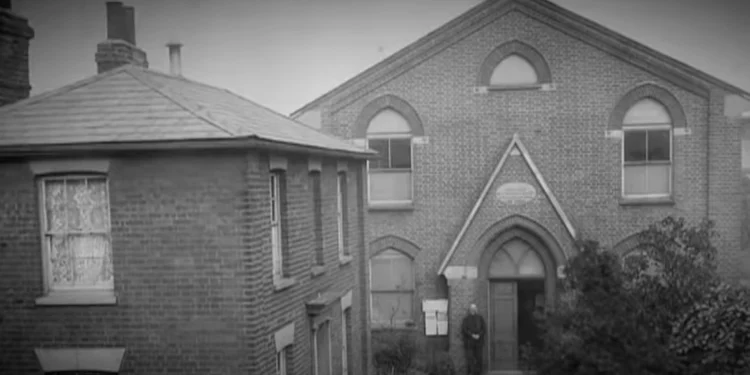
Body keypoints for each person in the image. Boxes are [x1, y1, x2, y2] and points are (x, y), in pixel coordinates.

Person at [461, 303, 486, 375]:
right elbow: (464, 329)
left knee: (479, 358)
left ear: (476, 309)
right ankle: (471, 372)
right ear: (469, 310)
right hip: (469, 343)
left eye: (474, 308)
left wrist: (479, 335)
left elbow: (484, 329)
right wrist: (472, 335)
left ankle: (479, 372)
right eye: (471, 308)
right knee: (470, 359)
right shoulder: (466, 319)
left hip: (479, 342)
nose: (473, 310)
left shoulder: (480, 318)